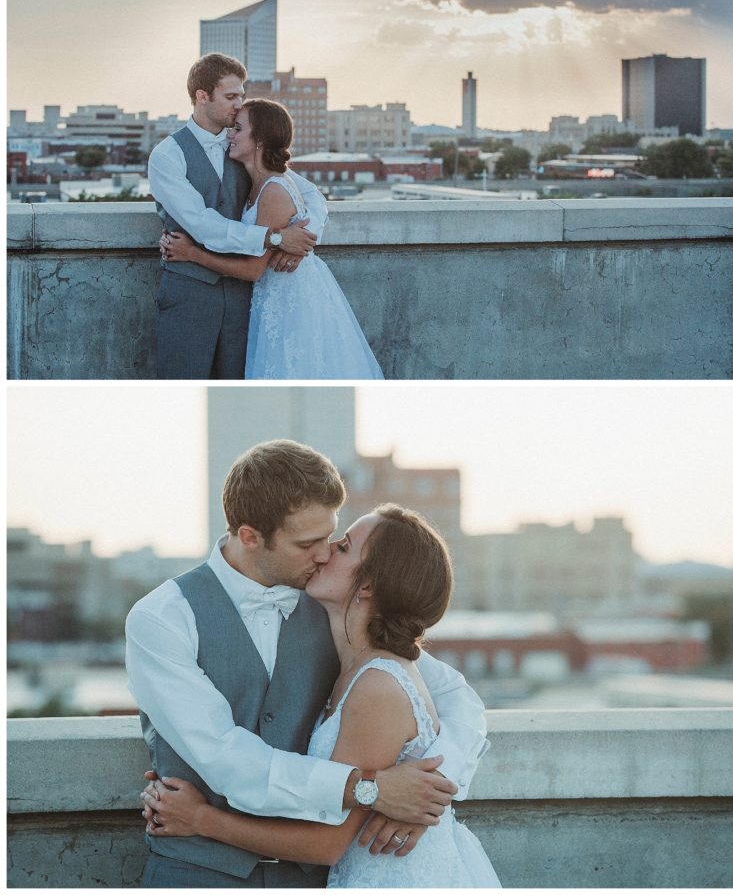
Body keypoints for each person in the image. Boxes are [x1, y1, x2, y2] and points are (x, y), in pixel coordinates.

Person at [126, 440, 489, 888]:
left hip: (312, 877)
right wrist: (368, 789)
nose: (323, 555)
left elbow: (452, 695)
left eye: (333, 539)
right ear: (250, 536)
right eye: (308, 543)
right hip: (195, 873)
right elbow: (223, 756)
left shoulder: (335, 606)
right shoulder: (162, 618)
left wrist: (430, 796)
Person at [160, 99, 384, 380]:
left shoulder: (274, 191)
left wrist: (192, 254)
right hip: (271, 302)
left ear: (260, 141)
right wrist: (280, 239)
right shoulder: (255, 179)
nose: (231, 134)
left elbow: (253, 270)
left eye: (239, 129)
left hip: (290, 304)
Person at [148, 53, 326, 380]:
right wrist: (274, 238)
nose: (239, 104)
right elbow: (202, 225)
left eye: (241, 95)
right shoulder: (167, 155)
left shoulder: (244, 147)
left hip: (245, 296)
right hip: (189, 294)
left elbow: (310, 195)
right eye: (231, 97)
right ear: (202, 97)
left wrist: (302, 241)